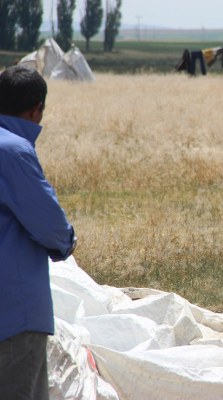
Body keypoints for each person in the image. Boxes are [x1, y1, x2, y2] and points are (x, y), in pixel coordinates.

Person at [0, 65, 77, 400]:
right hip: (13, 312)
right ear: (36, 109)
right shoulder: (13, 151)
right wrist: (67, 241)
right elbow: (51, 226)